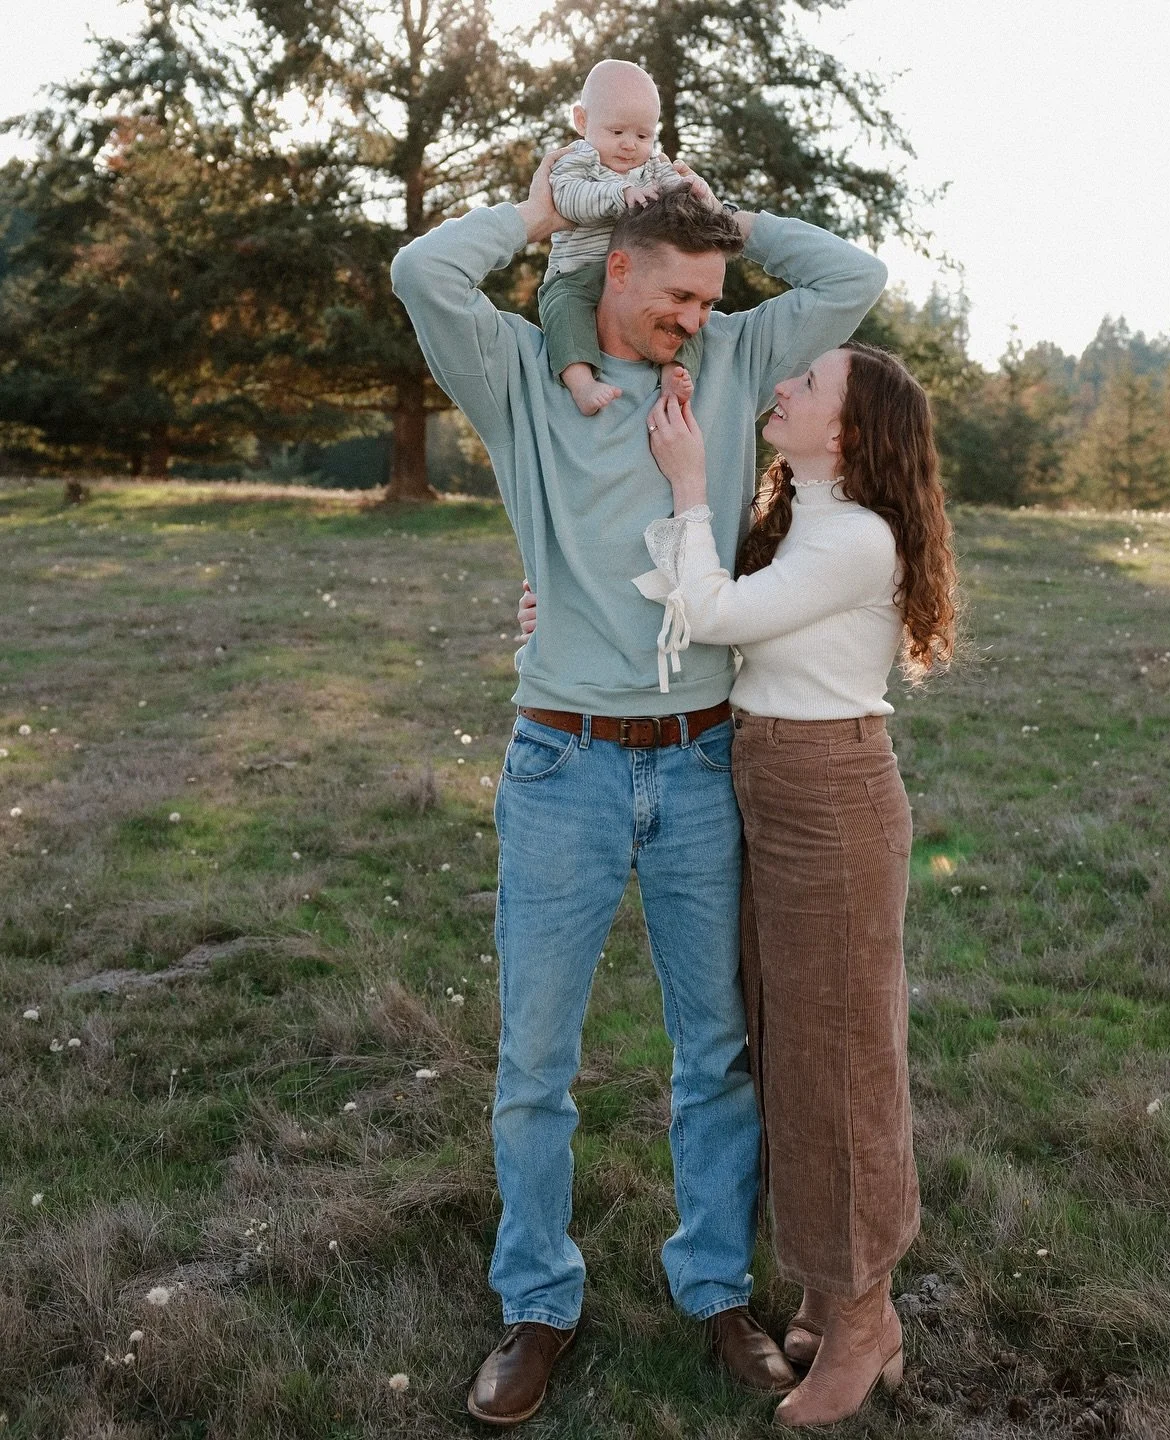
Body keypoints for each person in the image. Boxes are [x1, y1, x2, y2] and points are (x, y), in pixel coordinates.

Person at [390, 150, 886, 1426]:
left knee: (715, 1053)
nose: (699, 321)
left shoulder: (722, 363)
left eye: (713, 300)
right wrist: (547, 208)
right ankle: (537, 1302)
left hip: (706, 759)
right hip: (561, 760)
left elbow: (855, 273)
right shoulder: (520, 376)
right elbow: (421, 268)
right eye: (677, 297)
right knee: (534, 1061)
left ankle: (716, 1285)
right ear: (613, 270)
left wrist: (722, 208)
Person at [631, 342, 958, 1426]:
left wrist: (686, 485)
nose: (781, 388)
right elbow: (698, 607)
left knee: (842, 1061)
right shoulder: (797, 516)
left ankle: (864, 1323)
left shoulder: (858, 537)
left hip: (830, 793)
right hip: (767, 778)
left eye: (805, 384)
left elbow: (717, 615)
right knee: (789, 1045)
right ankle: (833, 1290)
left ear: (848, 431)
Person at [542, 59, 703, 415]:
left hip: (638, 278)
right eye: (617, 132)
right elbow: (568, 198)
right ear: (583, 121)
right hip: (577, 272)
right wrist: (620, 193)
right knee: (563, 311)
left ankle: (675, 372)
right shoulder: (579, 159)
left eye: (643, 135)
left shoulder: (653, 166)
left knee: (686, 313)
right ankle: (581, 381)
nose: (630, 145)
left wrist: (688, 193)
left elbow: (677, 193)